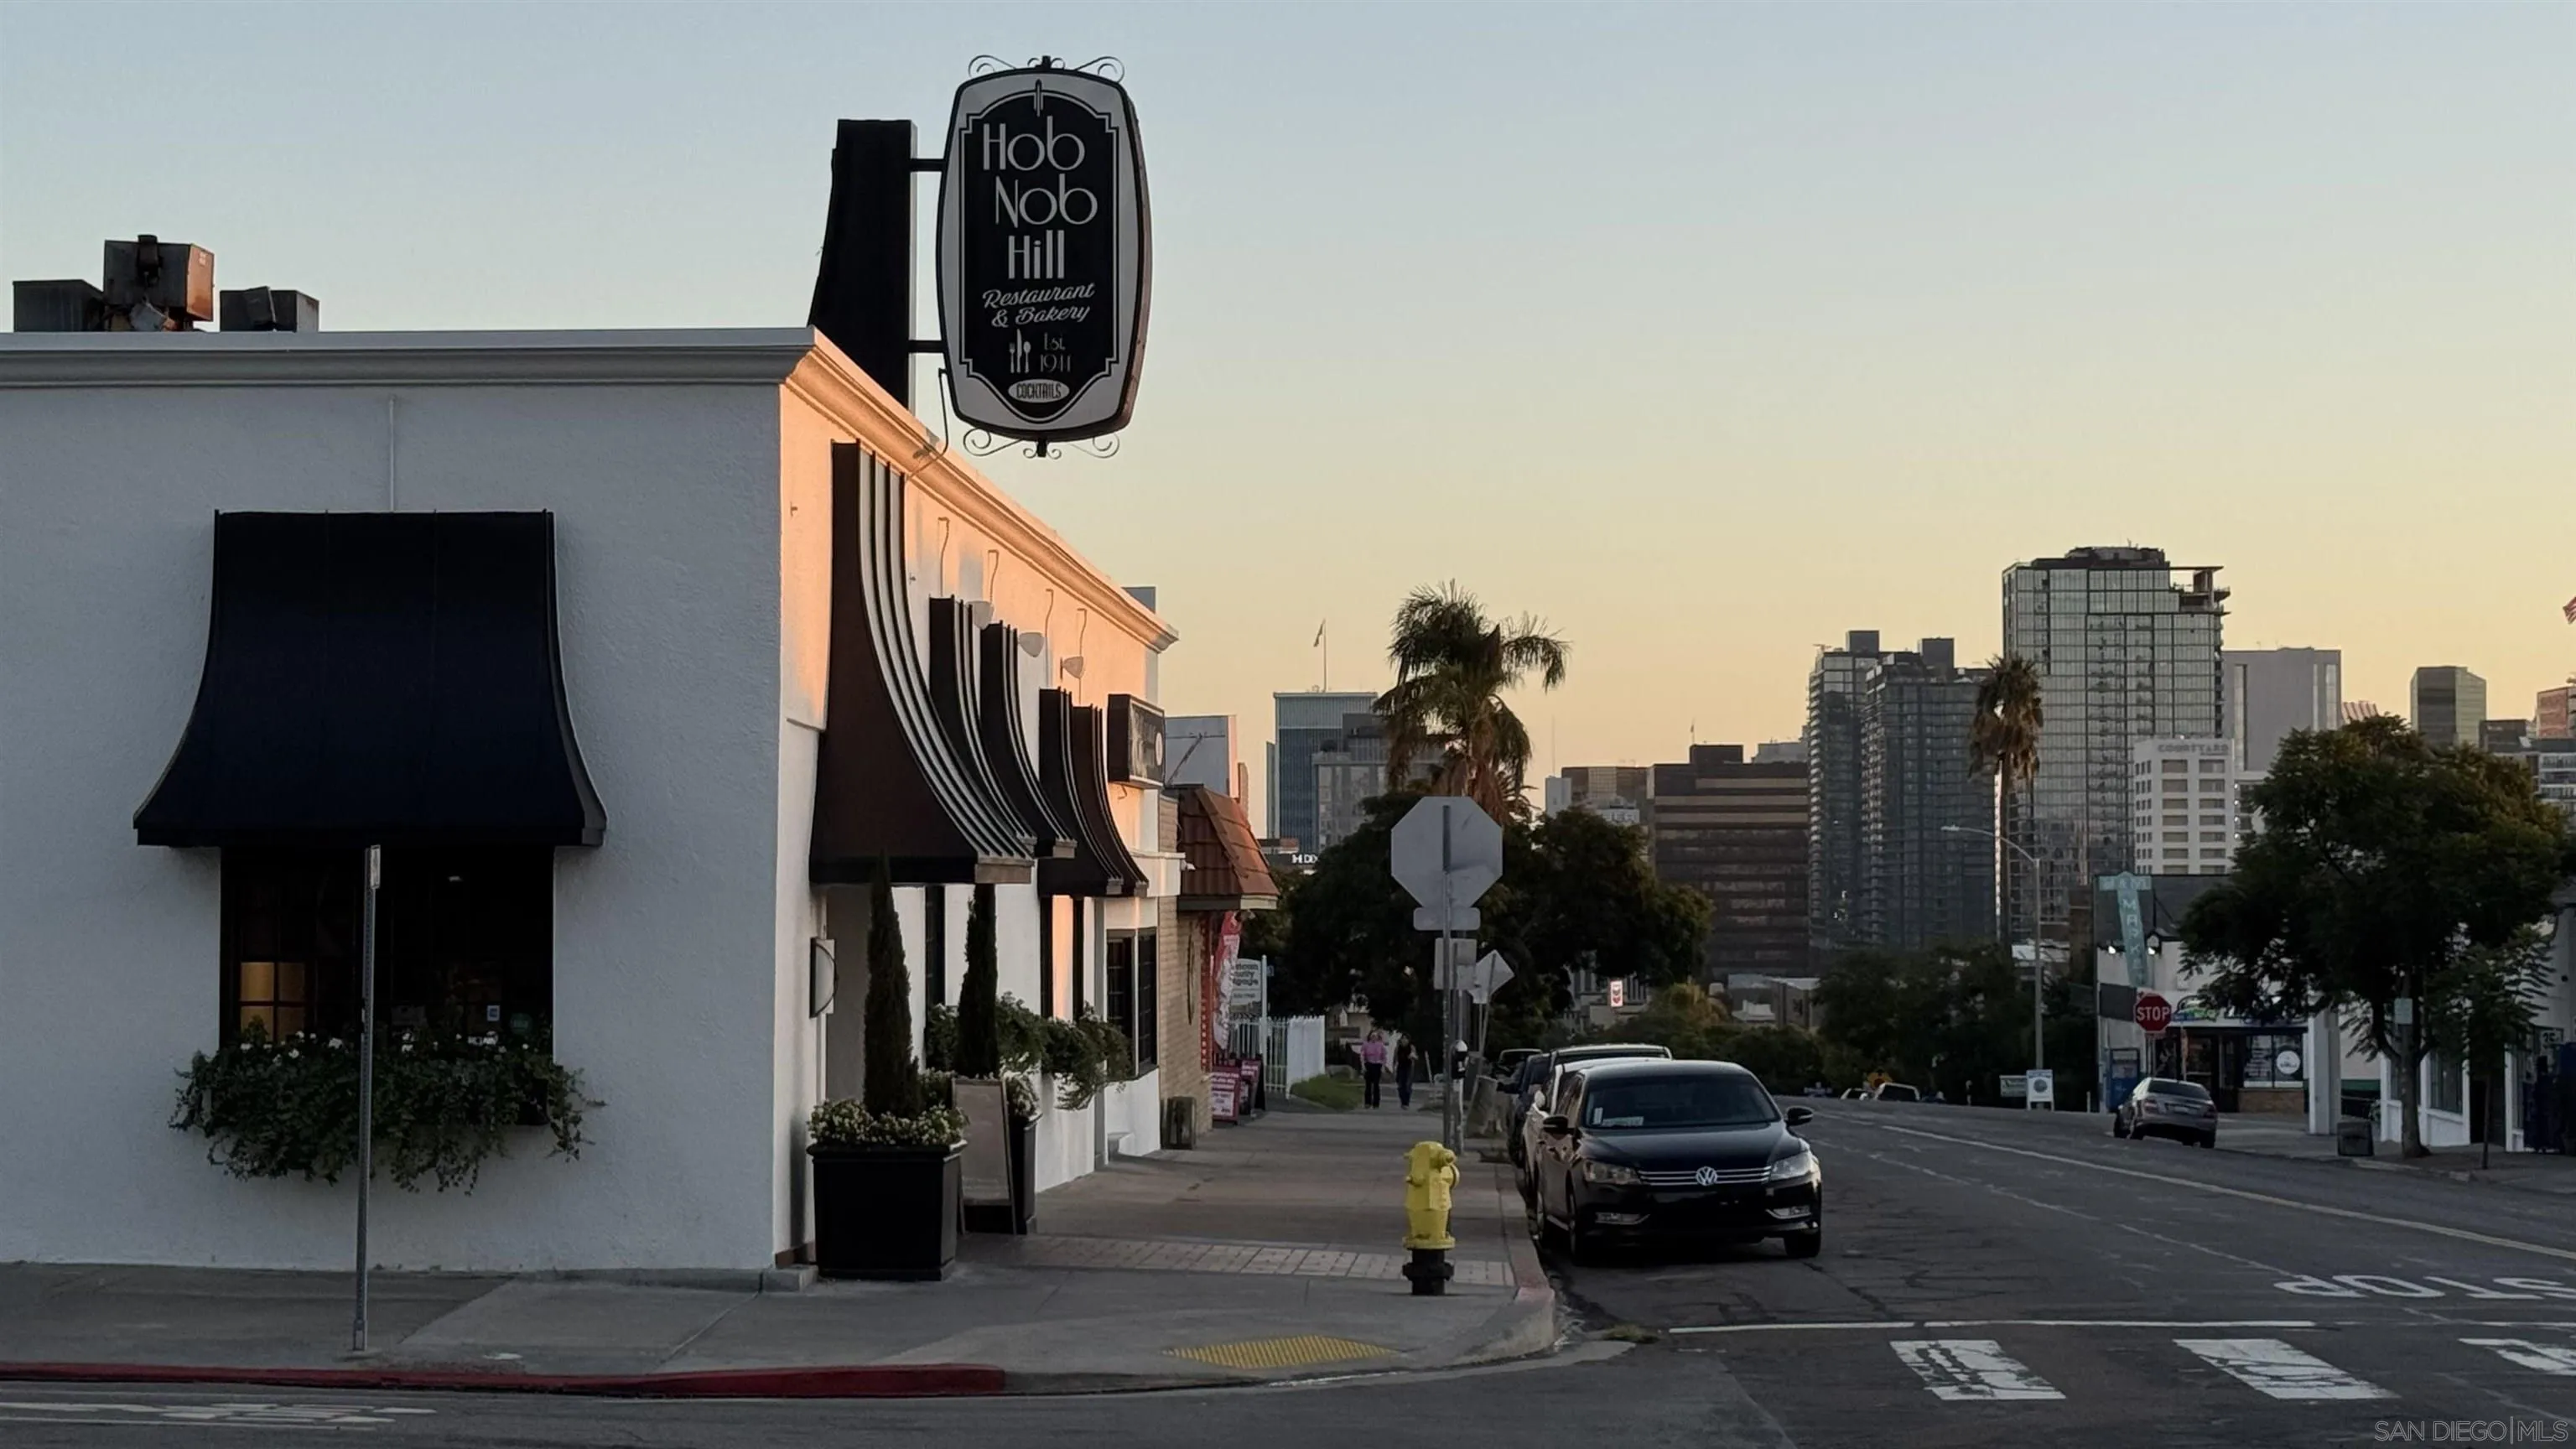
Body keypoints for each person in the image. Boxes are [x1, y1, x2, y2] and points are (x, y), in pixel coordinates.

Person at [1358, 1030, 1388, 1108]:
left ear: (1378, 1037)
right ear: (1370, 1036)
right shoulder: (1366, 1045)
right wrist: (1363, 1066)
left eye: (1375, 1036)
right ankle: (1367, 1102)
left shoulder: (1380, 1045)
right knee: (1368, 1085)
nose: (1374, 1038)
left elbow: (1384, 1057)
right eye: (1372, 1036)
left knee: (1376, 1085)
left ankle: (1376, 1103)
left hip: (1377, 1065)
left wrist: (1383, 1067)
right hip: (1369, 1064)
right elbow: (1362, 1055)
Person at [1394, 1036, 1417, 1109]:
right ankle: (1402, 1101)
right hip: (1400, 1067)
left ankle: (1406, 1103)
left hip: (1409, 1067)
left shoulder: (1411, 1047)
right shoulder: (1398, 1048)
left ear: (1408, 1040)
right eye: (1403, 1038)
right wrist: (1394, 1068)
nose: (1404, 1040)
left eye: (1406, 1039)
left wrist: (1413, 1056)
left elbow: (1415, 1056)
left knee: (1408, 1085)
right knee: (1401, 1086)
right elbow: (1395, 1059)